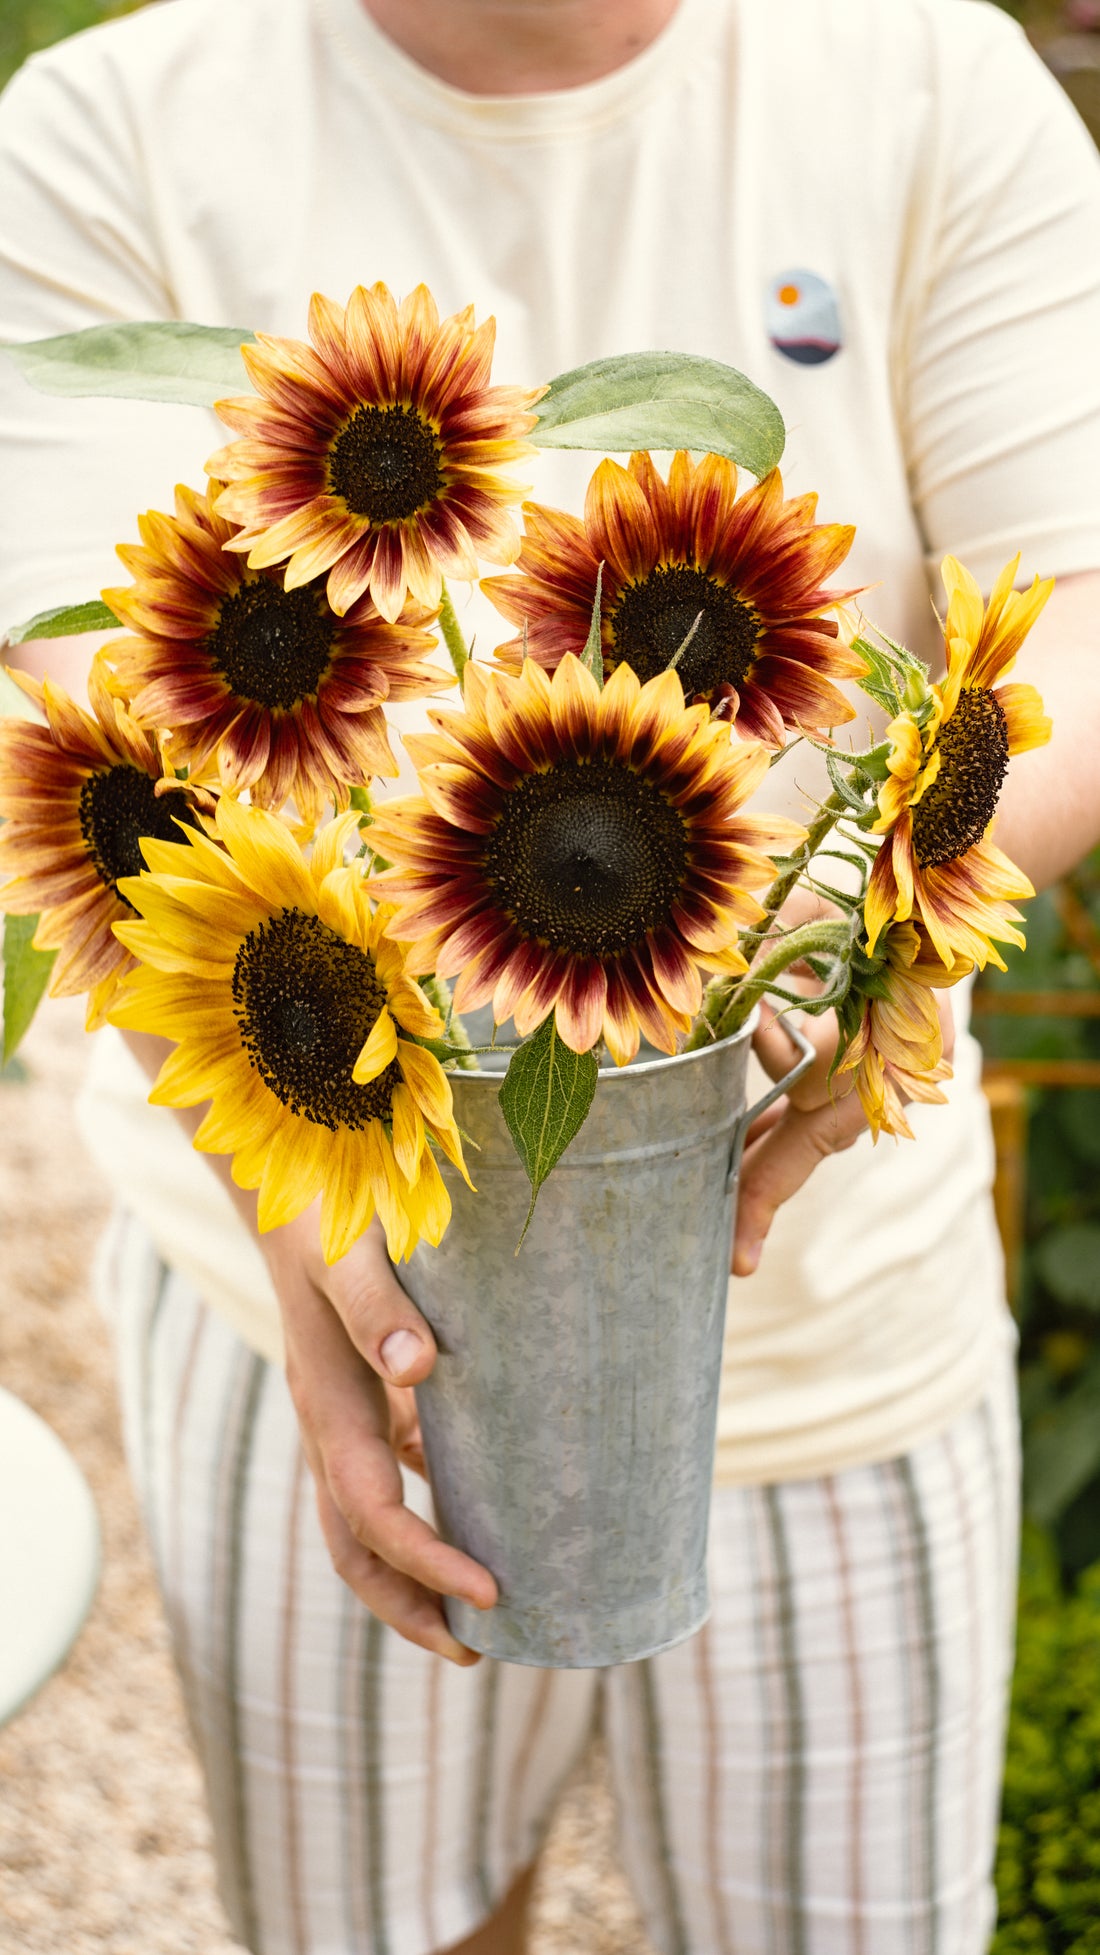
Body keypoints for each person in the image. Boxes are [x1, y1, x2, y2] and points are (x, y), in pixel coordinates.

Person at [3, 1, 1100, 1950]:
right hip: (304, 1309)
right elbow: (121, 739)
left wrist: (865, 938)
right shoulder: (110, 128)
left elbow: (1077, 605)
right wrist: (296, 1186)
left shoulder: (924, 77)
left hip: (830, 1326)